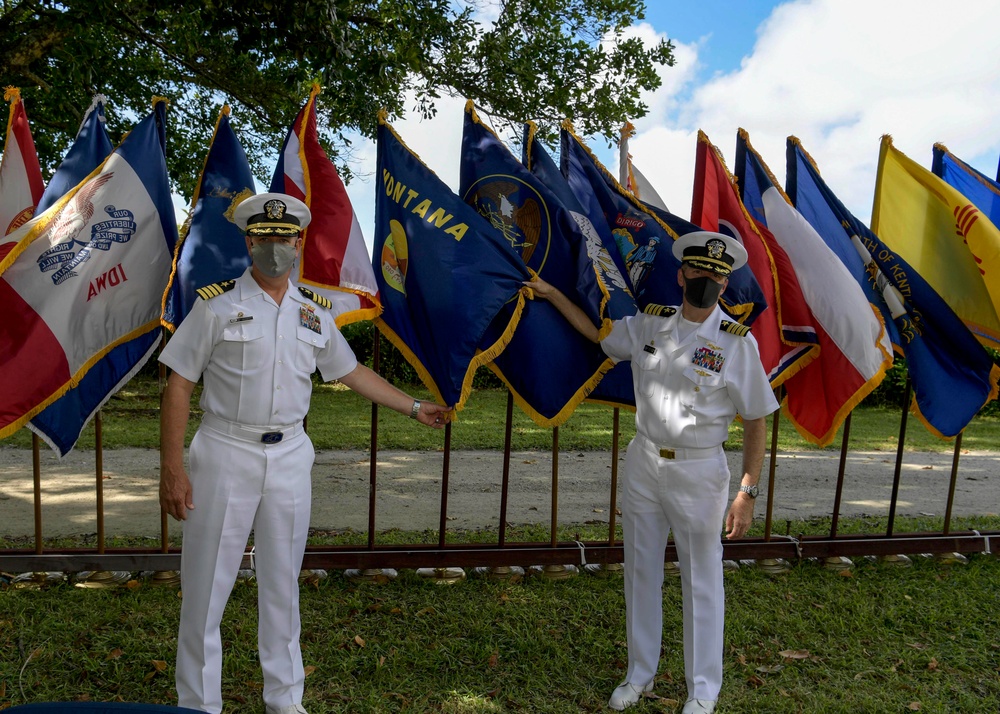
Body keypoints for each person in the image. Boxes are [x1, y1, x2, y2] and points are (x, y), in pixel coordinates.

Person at [159, 192, 452, 714]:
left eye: (285, 240)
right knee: (206, 590)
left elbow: (350, 371)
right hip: (225, 451)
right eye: (265, 239)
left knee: (281, 585)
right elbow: (179, 383)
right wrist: (173, 467)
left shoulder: (313, 313)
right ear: (250, 241)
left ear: (298, 244)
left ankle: (285, 701)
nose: (276, 249)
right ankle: (199, 705)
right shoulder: (216, 305)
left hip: (290, 456)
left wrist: (413, 407)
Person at [526, 231, 778, 713]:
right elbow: (598, 335)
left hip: (699, 471)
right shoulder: (648, 325)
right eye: (698, 272)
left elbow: (756, 421)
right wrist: (553, 293)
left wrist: (748, 491)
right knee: (640, 571)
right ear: (682, 274)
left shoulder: (735, 344)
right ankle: (639, 674)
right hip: (644, 461)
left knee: (700, 580)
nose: (706, 280)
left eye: (716, 276)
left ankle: (703, 691)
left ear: (726, 286)